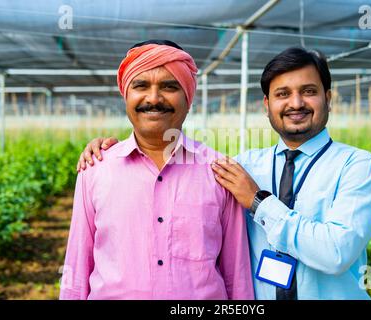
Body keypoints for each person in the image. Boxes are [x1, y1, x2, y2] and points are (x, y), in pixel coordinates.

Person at [77, 47, 371, 300]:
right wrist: (106, 150)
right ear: (267, 105)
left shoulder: (356, 166)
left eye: (309, 91)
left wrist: (260, 202)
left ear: (327, 98)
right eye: (282, 94)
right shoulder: (239, 166)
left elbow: (337, 253)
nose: (296, 103)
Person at [60, 39, 254, 300]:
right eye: (141, 85)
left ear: (188, 96)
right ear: (126, 95)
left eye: (169, 86)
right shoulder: (96, 169)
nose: (153, 98)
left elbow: (236, 274)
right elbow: (78, 265)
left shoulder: (220, 171)